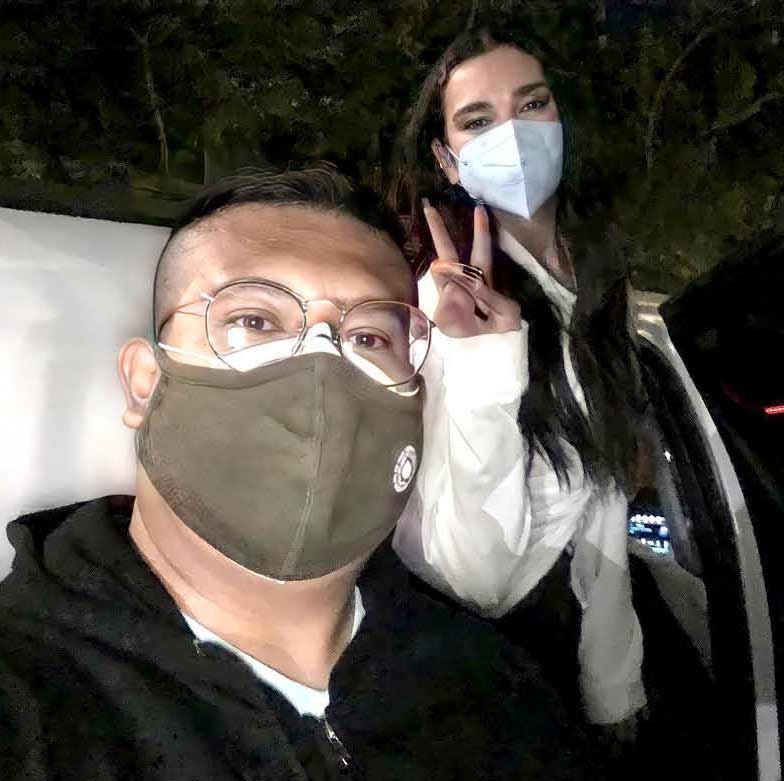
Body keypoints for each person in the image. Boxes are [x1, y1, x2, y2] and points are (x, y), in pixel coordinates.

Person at [0, 164, 603, 780]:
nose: (321, 366)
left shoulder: (499, 695)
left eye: (368, 337)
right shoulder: (31, 701)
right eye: (254, 321)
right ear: (146, 383)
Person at [390, 18, 649, 733]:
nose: (512, 134)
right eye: (478, 121)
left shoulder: (598, 279)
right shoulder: (445, 303)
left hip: (560, 610)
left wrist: (614, 681)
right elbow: (472, 579)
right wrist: (483, 363)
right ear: (447, 160)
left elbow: (603, 499)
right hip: (472, 652)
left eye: (532, 104)